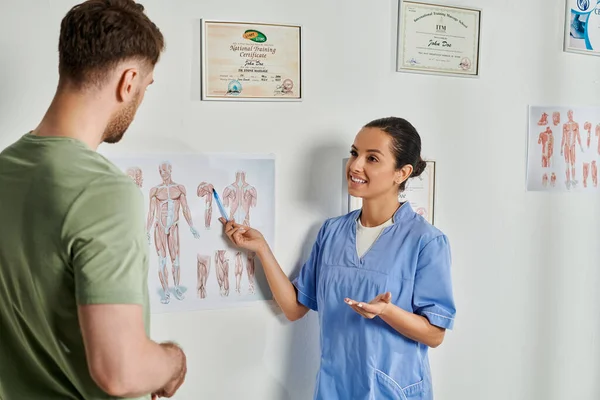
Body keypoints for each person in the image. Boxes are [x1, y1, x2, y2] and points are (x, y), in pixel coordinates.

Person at [0, 1, 187, 399]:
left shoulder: (4, 170)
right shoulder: (104, 192)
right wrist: (173, 360)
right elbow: (120, 373)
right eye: (146, 87)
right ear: (129, 81)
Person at [220, 117, 456, 400]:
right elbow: (295, 308)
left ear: (401, 172)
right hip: (335, 388)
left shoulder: (426, 241)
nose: (355, 165)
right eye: (355, 153)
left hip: (393, 391)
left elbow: (434, 334)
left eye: (372, 158)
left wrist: (387, 312)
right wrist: (261, 249)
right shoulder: (332, 232)